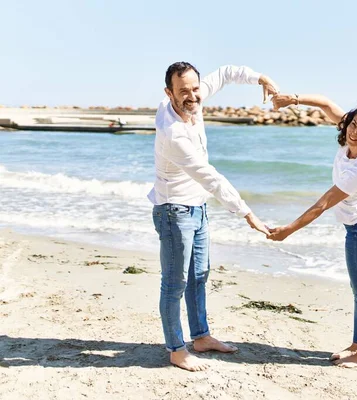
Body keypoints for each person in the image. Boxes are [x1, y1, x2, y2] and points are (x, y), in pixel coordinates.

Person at [148, 62, 278, 372]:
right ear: (169, 93)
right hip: (174, 211)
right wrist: (246, 212)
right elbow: (210, 177)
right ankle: (176, 350)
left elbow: (224, 74)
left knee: (199, 275)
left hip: (198, 207)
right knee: (174, 283)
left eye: (195, 89)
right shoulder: (173, 132)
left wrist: (260, 77)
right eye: (183, 92)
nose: (193, 96)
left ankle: (201, 337)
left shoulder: (194, 95)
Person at [267, 93, 357, 368]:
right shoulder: (349, 128)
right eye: (354, 125)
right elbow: (325, 104)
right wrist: (291, 99)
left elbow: (322, 205)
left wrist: (288, 231)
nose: (354, 133)